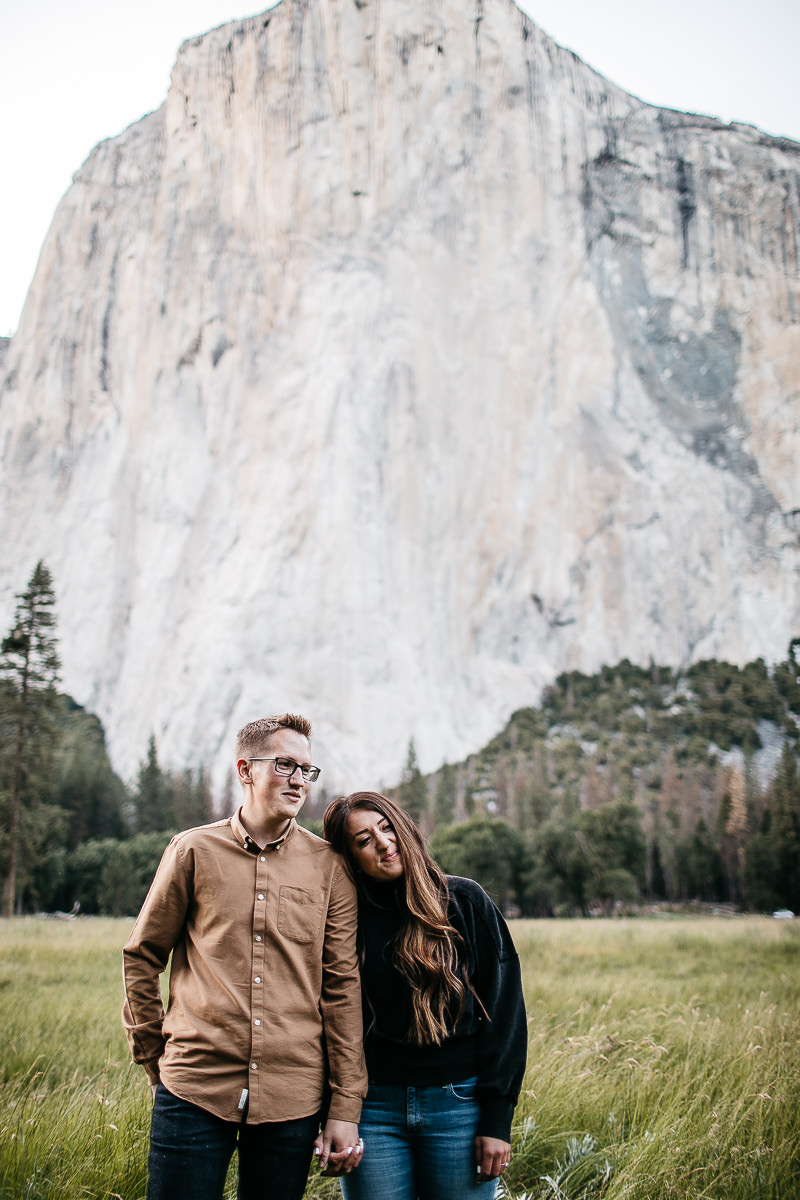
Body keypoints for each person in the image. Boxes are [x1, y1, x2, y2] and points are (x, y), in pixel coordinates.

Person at [122, 713, 367, 1200]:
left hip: (292, 1097)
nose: (298, 779)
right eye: (284, 765)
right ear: (245, 769)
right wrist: (155, 1058)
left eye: (306, 770)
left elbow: (342, 989)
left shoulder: (330, 869)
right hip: (193, 1088)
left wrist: (344, 1107)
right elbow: (142, 956)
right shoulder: (192, 851)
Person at [323, 791, 527, 1200]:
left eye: (386, 827)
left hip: (459, 1107)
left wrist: (496, 1120)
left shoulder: (464, 901)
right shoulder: (343, 918)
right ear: (349, 858)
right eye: (363, 840)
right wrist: (334, 1110)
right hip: (372, 1108)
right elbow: (325, 1018)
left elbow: (505, 1012)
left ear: (405, 828)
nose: (383, 843)